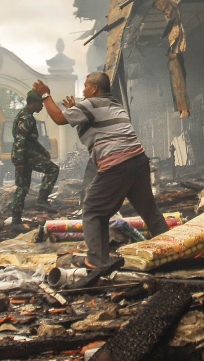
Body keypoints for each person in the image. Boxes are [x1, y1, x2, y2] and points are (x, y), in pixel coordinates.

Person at [33, 73, 169, 270]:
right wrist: (74, 110)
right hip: (138, 160)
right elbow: (94, 127)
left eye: (86, 86)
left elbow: (59, 118)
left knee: (93, 211)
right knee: (150, 211)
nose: (83, 90)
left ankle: (97, 260)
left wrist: (46, 95)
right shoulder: (114, 106)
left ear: (95, 89)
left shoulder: (91, 104)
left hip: (117, 164)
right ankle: (172, 249)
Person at [9, 89, 60, 227]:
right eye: (40, 103)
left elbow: (31, 140)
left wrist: (43, 151)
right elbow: (20, 140)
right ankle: (42, 199)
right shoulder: (26, 118)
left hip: (25, 154)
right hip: (25, 155)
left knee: (22, 187)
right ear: (33, 103)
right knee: (53, 169)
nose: (42, 106)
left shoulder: (27, 116)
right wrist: (20, 161)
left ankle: (16, 219)